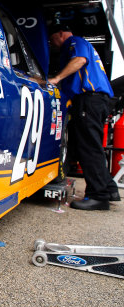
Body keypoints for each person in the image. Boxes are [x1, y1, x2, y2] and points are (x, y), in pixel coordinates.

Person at [47, 24, 120, 210]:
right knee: (93, 145)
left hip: (89, 98)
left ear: (61, 34)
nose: (51, 43)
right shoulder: (83, 44)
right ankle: (109, 189)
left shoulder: (74, 42)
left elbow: (79, 60)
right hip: (98, 100)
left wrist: (56, 78)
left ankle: (99, 196)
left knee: (88, 147)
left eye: (52, 38)